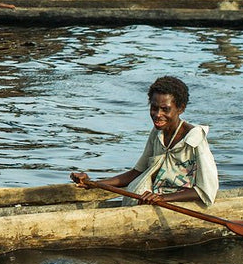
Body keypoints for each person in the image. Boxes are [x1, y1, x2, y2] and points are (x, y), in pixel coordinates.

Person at [70, 75, 220, 206]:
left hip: (179, 205)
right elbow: (136, 173)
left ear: (180, 109)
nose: (158, 114)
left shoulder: (195, 138)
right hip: (154, 199)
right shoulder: (157, 134)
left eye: (165, 109)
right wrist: (95, 184)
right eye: (154, 108)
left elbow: (206, 189)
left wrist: (163, 199)